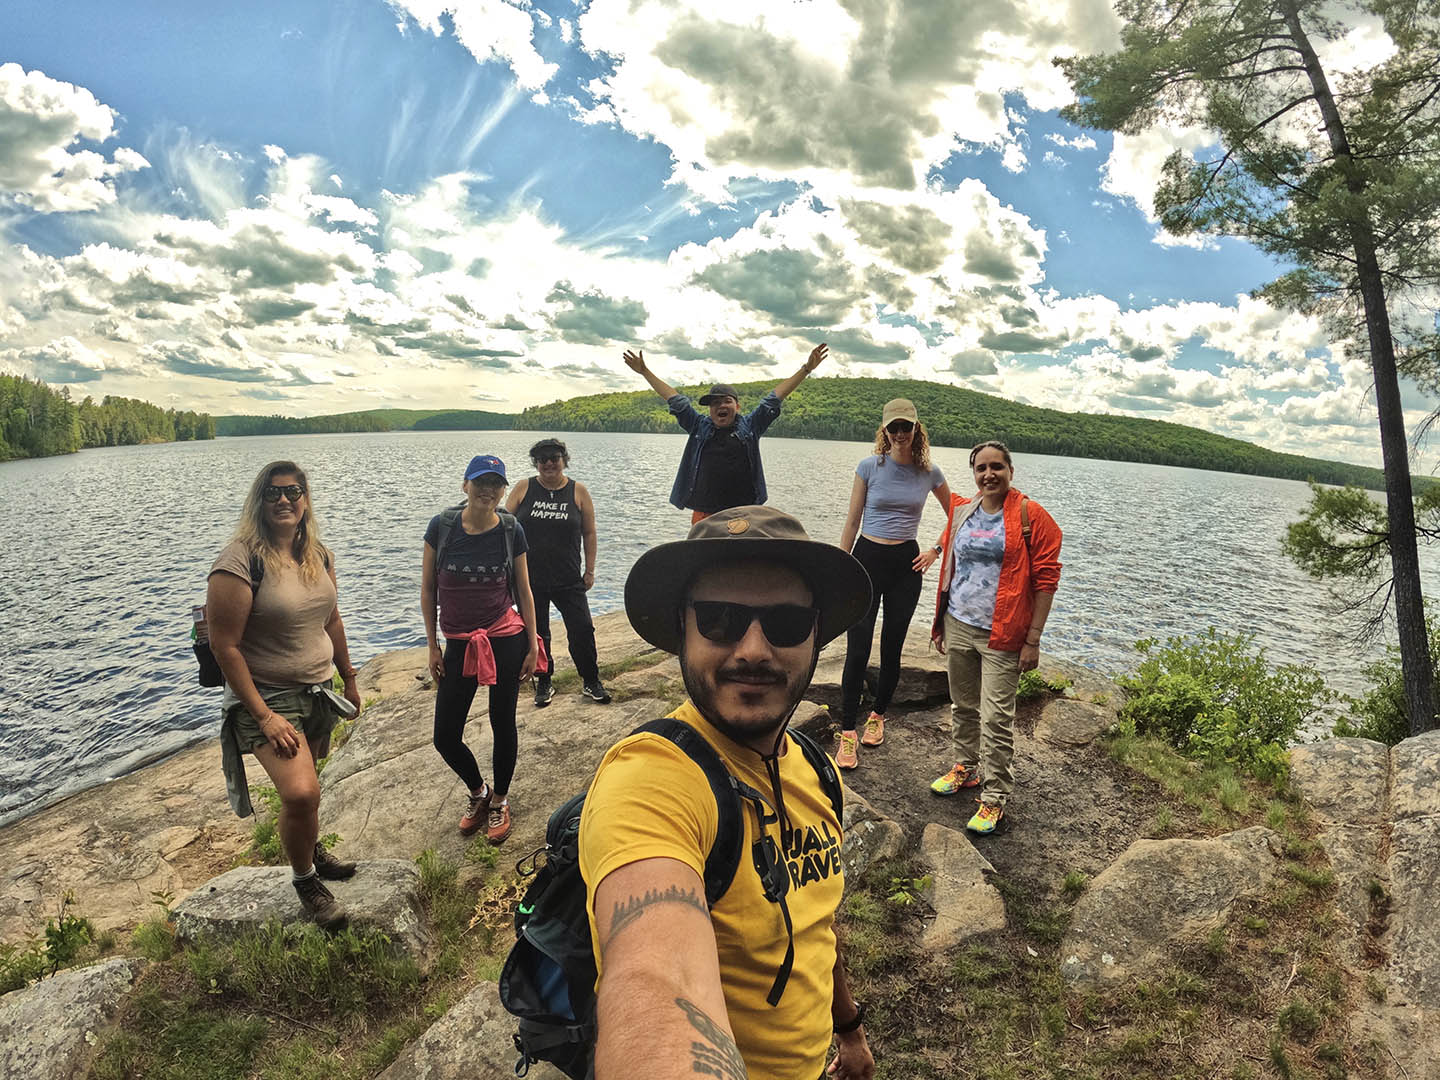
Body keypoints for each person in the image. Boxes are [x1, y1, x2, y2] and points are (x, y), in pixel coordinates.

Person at [580, 505, 877, 1080]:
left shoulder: (816, 770)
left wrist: (849, 1029)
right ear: (683, 630)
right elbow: (654, 976)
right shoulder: (648, 781)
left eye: (787, 624)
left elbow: (815, 923)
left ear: (816, 635)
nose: (754, 650)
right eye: (720, 619)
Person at [207, 460, 363, 930]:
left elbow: (331, 619)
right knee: (300, 793)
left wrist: (349, 677)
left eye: (293, 492)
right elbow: (224, 646)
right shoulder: (239, 562)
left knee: (309, 789)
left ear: (305, 500)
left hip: (317, 693)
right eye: (273, 493)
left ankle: (309, 849)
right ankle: (305, 881)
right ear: (258, 501)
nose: (284, 500)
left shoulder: (318, 555)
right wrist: (264, 716)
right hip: (267, 699)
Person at [928, 441, 1062, 835]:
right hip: (958, 622)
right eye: (981, 468)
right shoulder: (964, 510)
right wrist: (941, 624)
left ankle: (995, 797)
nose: (989, 475)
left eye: (996, 467)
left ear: (1010, 471)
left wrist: (1033, 640)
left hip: (1003, 633)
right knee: (963, 706)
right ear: (974, 473)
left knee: (997, 719)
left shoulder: (1031, 516)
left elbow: (1046, 580)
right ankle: (965, 767)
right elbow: (951, 565)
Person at [422, 454, 542, 846]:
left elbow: (524, 590)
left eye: (495, 484)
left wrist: (532, 645)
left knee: (502, 721)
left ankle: (500, 801)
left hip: (504, 638)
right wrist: (432, 646)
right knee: (445, 735)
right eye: (480, 482)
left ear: (503, 490)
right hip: (458, 643)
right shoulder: (442, 527)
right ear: (465, 485)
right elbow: (428, 590)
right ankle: (479, 791)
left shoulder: (510, 529)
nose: (487, 491)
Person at [835, 399, 952, 770]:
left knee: (892, 647)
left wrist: (935, 550)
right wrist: (840, 565)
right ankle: (848, 731)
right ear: (884, 431)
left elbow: (959, 514)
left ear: (917, 429)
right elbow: (852, 521)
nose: (900, 433)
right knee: (857, 649)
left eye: (906, 427)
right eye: (893, 427)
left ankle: (878, 715)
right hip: (867, 559)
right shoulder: (869, 466)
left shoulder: (929, 472)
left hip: (906, 566)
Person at [621, 343, 828, 522]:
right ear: (710, 410)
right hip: (704, 513)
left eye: (726, 401)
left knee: (742, 557)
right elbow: (675, 399)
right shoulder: (698, 426)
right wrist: (644, 371)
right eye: (715, 403)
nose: (721, 405)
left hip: (745, 513)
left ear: (737, 406)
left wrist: (806, 369)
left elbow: (774, 398)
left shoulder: (750, 426)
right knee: (703, 556)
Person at [505, 438, 611, 708]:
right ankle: (544, 681)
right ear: (536, 463)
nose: (549, 463)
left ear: (564, 460)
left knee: (582, 629)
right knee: (538, 631)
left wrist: (590, 570)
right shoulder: (524, 488)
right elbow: (503, 526)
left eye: (554, 458)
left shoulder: (578, 491)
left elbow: (589, 532)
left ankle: (591, 680)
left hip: (569, 578)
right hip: (530, 579)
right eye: (542, 459)